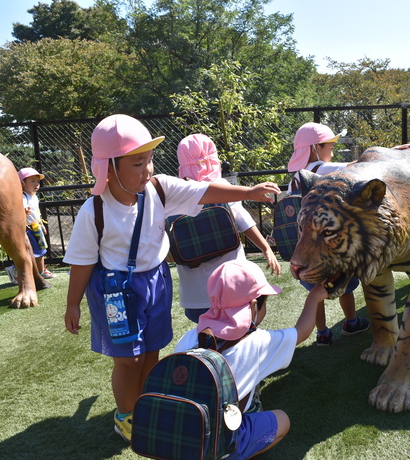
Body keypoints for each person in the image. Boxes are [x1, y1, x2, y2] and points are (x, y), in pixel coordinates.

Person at [63, 114, 280, 442]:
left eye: (149, 160)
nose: (147, 169)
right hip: (115, 292)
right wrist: (73, 304)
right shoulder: (93, 211)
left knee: (151, 351)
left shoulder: (159, 188)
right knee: (129, 358)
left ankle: (146, 406)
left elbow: (204, 190)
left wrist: (247, 191)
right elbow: (81, 262)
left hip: (156, 281)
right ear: (108, 167)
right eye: (137, 163)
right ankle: (125, 416)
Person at [174, 259, 327, 459]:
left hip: (177, 438)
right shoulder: (257, 343)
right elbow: (302, 332)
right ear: (254, 306)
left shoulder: (190, 337)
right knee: (282, 420)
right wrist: (314, 297)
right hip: (215, 446)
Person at [174, 133, 281, 323]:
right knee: (239, 332)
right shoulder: (222, 188)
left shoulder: (175, 193)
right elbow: (244, 222)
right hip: (232, 291)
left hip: (194, 298)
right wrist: (266, 249)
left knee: (208, 338)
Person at [287, 122, 369, 345]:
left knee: (315, 292)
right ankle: (351, 322)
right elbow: (358, 164)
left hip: (305, 249)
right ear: (315, 148)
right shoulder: (322, 170)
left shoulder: (295, 177)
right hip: (326, 245)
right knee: (345, 286)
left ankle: (322, 332)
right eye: (330, 145)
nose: (332, 150)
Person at [18, 167, 56, 279]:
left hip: (36, 227)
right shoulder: (23, 196)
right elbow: (22, 206)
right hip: (28, 228)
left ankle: (40, 270)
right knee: (36, 251)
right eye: (32, 181)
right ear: (22, 183)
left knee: (41, 249)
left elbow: (37, 214)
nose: (36, 184)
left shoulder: (34, 197)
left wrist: (41, 224)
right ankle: (39, 272)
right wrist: (25, 209)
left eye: (38, 182)